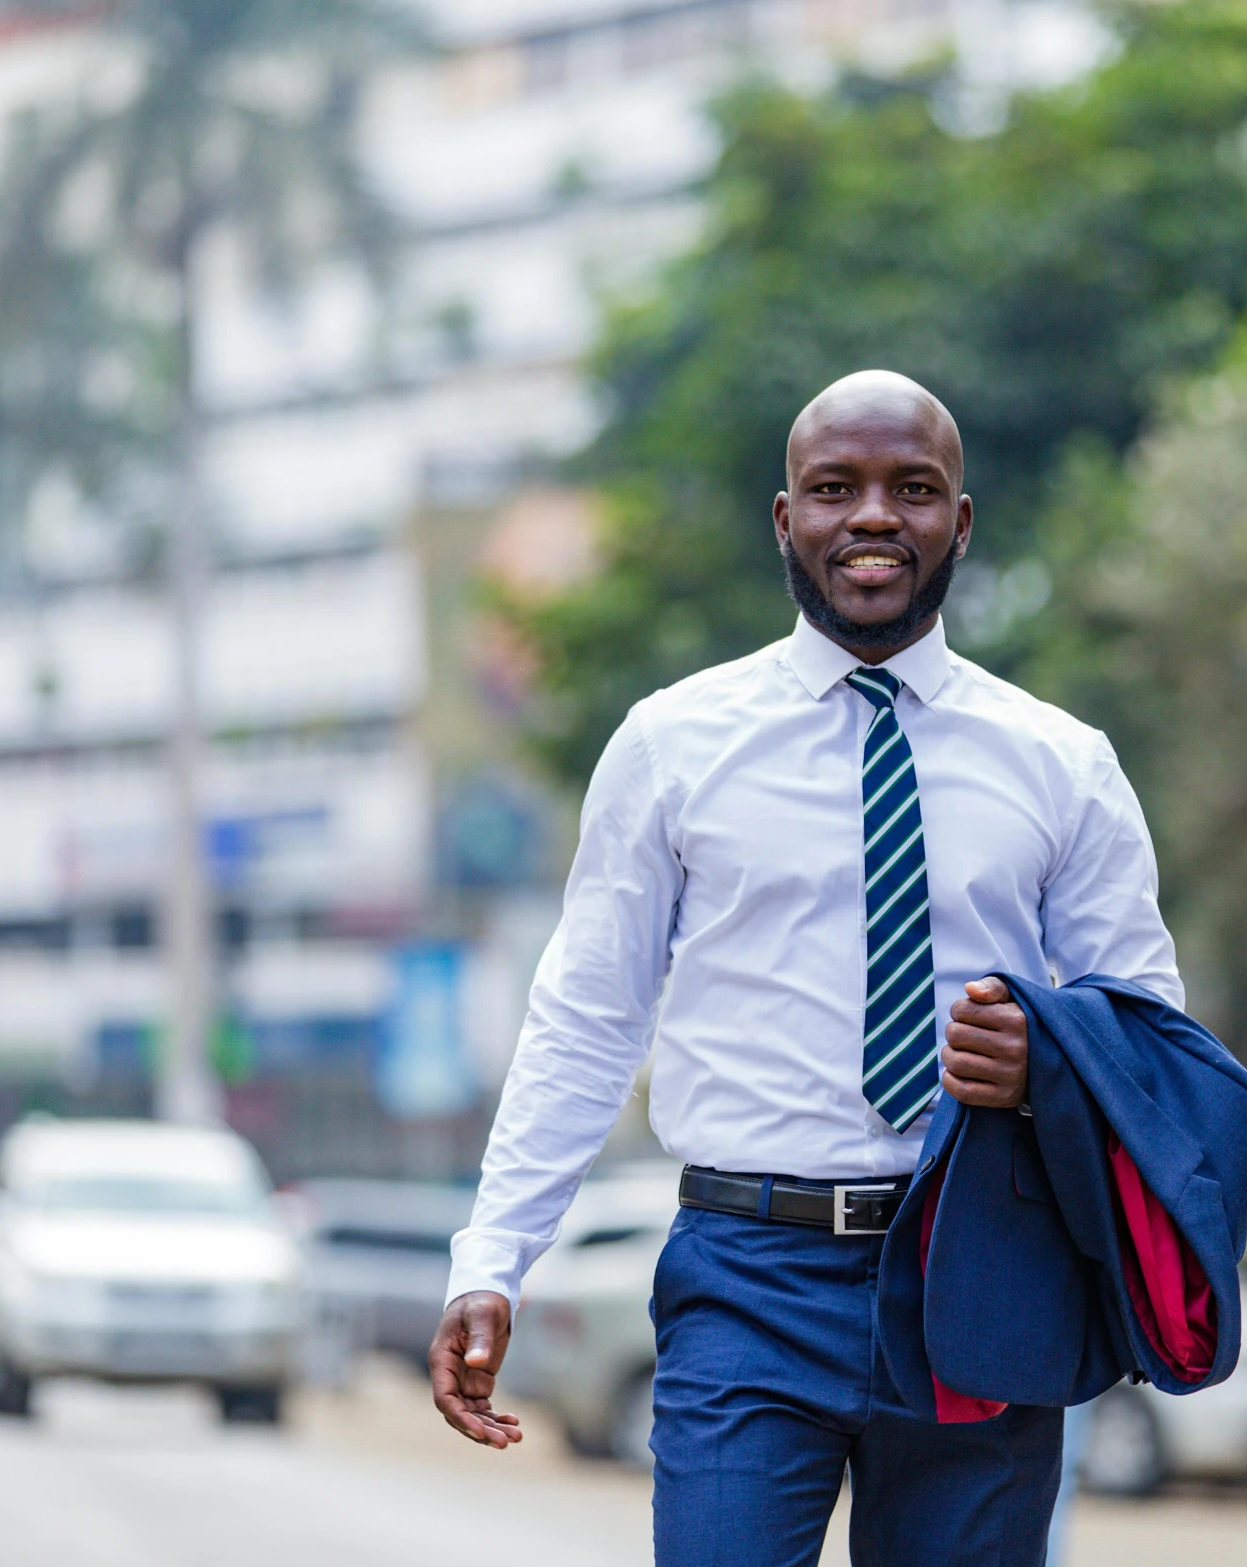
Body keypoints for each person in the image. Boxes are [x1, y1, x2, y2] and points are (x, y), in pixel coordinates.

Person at [431, 369, 1184, 1567]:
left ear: (961, 522)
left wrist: (1049, 1057)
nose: (874, 516)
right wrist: (493, 1258)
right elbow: (587, 1016)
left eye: (913, 489)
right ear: (787, 520)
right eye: (835, 488)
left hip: (978, 1268)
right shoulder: (672, 744)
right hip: (747, 1274)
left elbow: (1152, 1038)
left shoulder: (1063, 764)